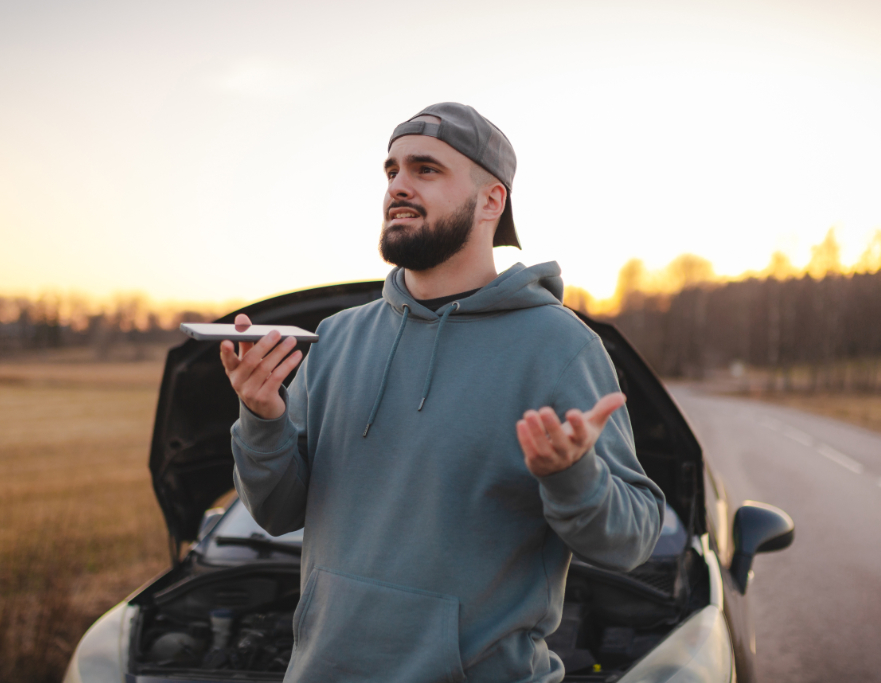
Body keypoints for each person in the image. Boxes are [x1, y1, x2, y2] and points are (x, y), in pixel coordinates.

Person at [220, 102, 665, 683]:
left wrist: (572, 474)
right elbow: (276, 511)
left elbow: (632, 538)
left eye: (426, 169)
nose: (398, 186)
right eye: (392, 170)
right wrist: (263, 419)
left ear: (490, 201)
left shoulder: (558, 347)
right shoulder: (338, 337)